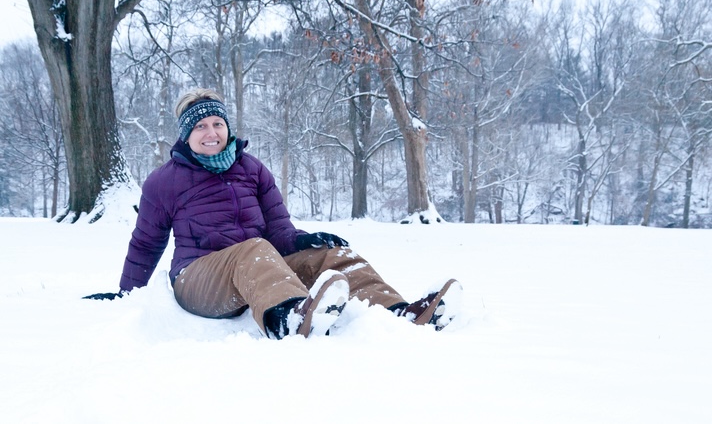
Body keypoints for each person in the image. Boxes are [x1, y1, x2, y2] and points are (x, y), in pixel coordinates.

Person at [85, 88, 461, 339]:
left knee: (333, 253)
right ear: (185, 135)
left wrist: (301, 242)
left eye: (217, 123)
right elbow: (146, 243)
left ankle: (399, 314)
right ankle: (288, 319)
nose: (211, 131)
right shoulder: (164, 182)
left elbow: (278, 227)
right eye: (200, 126)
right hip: (198, 278)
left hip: (258, 266)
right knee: (254, 249)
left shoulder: (251, 168)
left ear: (227, 127)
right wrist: (126, 293)